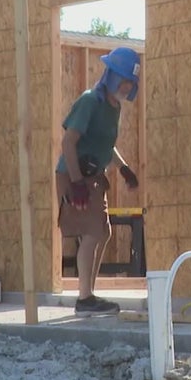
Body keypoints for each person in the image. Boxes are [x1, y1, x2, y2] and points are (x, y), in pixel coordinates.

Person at [56, 47, 142, 317]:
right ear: (113, 76)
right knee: (92, 233)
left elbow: (106, 144)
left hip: (94, 176)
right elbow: (69, 142)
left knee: (103, 233)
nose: (128, 87)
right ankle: (84, 299)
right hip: (75, 174)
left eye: (131, 82)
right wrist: (77, 183)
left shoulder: (113, 107)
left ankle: (88, 293)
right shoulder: (90, 101)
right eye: (125, 80)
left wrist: (124, 168)